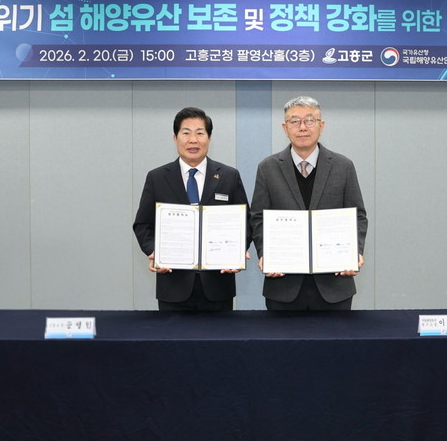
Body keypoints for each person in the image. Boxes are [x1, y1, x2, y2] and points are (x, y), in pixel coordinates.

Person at [250, 96, 368, 310]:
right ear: (285, 128)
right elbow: (258, 218)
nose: (302, 127)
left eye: (310, 120)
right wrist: (265, 253)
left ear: (321, 126)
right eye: (295, 121)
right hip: (283, 285)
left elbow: (358, 216)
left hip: (334, 285)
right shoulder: (268, 168)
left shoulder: (343, 166)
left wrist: (354, 252)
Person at [133, 107, 250, 311]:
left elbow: (246, 222)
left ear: (209, 138)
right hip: (173, 284)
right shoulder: (157, 177)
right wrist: (154, 251)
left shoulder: (229, 176)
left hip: (218, 285)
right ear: (175, 138)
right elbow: (142, 224)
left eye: (200, 133)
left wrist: (238, 252)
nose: (193, 140)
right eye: (186, 133)